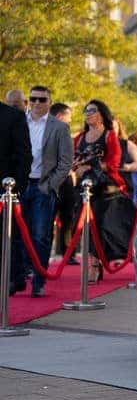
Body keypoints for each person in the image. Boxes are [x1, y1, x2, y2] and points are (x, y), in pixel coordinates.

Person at [10, 86, 73, 297]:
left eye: (42, 99)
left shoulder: (59, 127)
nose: (37, 103)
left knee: (40, 236)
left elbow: (66, 163)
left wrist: (50, 185)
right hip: (19, 185)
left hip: (42, 187)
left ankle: (38, 281)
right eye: (33, 99)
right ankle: (18, 278)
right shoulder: (18, 121)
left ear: (49, 102)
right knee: (18, 235)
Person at [71, 100, 134, 282]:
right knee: (86, 228)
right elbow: (71, 159)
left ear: (101, 114)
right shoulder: (80, 137)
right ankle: (93, 263)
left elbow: (113, 163)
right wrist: (77, 168)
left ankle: (97, 265)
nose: (88, 113)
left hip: (105, 190)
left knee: (102, 228)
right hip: (84, 188)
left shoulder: (109, 136)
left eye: (92, 110)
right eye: (86, 110)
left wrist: (90, 166)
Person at [1, 100, 31, 296]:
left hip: (4, 192)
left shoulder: (13, 116)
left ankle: (12, 279)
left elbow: (24, 155)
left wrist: (15, 189)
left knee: (8, 239)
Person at [49, 103, 79, 263]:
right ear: (60, 116)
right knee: (47, 218)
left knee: (68, 218)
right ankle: (43, 254)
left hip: (66, 181)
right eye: (69, 117)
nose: (70, 120)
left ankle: (68, 254)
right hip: (50, 179)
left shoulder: (66, 133)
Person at [112, 118, 137, 204]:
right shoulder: (97, 143)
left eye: (114, 127)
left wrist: (127, 167)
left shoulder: (127, 144)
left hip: (123, 187)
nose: (112, 130)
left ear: (119, 128)